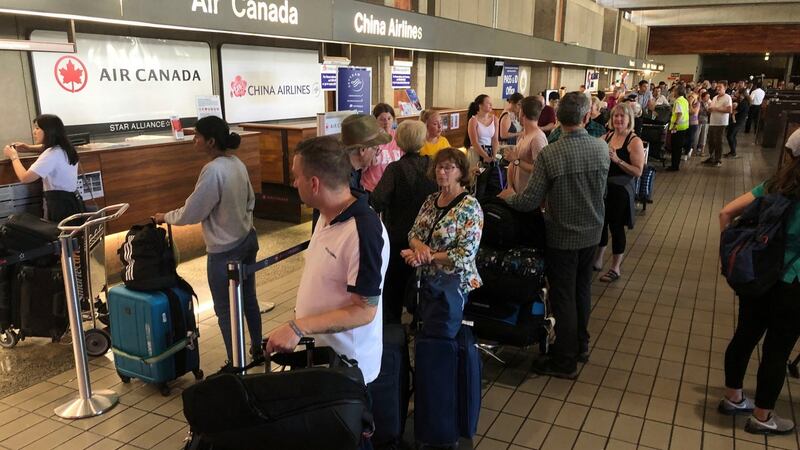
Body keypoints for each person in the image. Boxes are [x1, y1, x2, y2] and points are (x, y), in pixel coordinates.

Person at [266, 134, 389, 396]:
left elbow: (364, 310)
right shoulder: (326, 215)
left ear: (314, 183)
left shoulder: (363, 231)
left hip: (347, 368)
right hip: (322, 357)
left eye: (296, 176)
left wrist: (298, 327)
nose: (294, 182)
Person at [499, 92, 609, 378]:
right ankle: (581, 345)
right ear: (587, 117)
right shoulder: (600, 149)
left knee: (563, 297)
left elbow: (528, 201)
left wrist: (508, 196)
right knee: (582, 290)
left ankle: (565, 360)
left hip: (562, 236)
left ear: (558, 119)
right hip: (593, 232)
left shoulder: (552, 153)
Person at [153, 116, 260, 366]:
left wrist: (164, 217)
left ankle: (236, 361)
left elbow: (194, 211)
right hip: (247, 239)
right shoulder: (237, 163)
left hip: (224, 250)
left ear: (210, 141)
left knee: (224, 309)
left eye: (197, 137)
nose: (194, 142)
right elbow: (251, 200)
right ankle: (257, 347)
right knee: (249, 299)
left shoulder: (213, 170)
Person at [717, 130, 800, 435]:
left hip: (759, 276)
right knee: (777, 351)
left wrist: (728, 255)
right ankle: (763, 417)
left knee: (745, 336)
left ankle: (733, 397)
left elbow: (726, 212)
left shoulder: (774, 185)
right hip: (793, 284)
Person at [371, 120, 438, 323]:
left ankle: (393, 332)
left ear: (398, 141)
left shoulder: (395, 169)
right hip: (428, 240)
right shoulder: (433, 165)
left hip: (399, 238)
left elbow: (378, 200)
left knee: (394, 288)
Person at [405, 148, 483, 298]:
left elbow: (465, 254)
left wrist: (427, 256)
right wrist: (419, 247)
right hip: (426, 282)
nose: (441, 172)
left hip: (453, 286)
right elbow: (413, 234)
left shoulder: (470, 206)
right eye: (439, 167)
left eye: (448, 168)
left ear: (461, 172)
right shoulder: (430, 200)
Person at [594, 104, 645, 283]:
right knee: (601, 224)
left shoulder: (634, 141)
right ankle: (598, 259)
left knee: (616, 228)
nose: (618, 120)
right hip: (604, 189)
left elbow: (638, 171)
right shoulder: (606, 136)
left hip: (621, 192)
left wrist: (617, 160)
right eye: (616, 116)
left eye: (622, 117)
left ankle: (615, 267)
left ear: (629, 119)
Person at [3, 114, 82, 223]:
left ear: (49, 131)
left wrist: (13, 157)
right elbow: (45, 148)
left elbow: (25, 178)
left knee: (58, 235)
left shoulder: (51, 154)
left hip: (59, 206)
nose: (34, 132)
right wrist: (28, 148)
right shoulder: (65, 148)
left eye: (37, 128)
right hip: (72, 202)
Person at [504, 96, 547, 193]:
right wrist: (510, 187)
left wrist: (517, 161)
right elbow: (513, 163)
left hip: (529, 195)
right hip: (516, 192)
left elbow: (540, 170)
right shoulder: (524, 135)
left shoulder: (537, 138)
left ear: (522, 113)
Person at [342, 114, 392, 191]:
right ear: (363, 150)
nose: (376, 155)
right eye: (376, 149)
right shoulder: (345, 186)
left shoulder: (353, 170)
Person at [361, 103, 403, 192]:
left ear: (394, 120)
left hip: (393, 189)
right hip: (372, 189)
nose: (386, 122)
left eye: (389, 118)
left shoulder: (399, 137)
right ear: (375, 121)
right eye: (382, 119)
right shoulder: (369, 140)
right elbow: (362, 168)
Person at [467, 94, 502, 197]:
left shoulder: (495, 119)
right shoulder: (473, 120)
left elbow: (495, 139)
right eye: (488, 103)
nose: (491, 105)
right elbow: (474, 142)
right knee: (477, 183)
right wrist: (485, 156)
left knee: (490, 182)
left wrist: (494, 155)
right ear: (480, 105)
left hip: (490, 151)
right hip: (477, 152)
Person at [704, 81, 733, 167]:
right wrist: (709, 109)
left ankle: (718, 159)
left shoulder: (727, 97)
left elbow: (729, 110)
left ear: (725, 87)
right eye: (717, 87)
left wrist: (716, 109)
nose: (718, 88)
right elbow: (711, 108)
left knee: (718, 141)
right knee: (711, 141)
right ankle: (711, 157)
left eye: (720, 87)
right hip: (713, 122)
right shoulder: (715, 97)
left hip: (721, 123)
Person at [666, 84, 689, 171]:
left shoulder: (678, 101)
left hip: (678, 128)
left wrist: (675, 124)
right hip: (684, 127)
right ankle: (676, 164)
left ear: (678, 92)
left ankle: (674, 166)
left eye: (674, 90)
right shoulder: (685, 100)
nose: (673, 92)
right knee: (678, 148)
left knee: (675, 147)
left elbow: (679, 113)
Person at [724, 88, 750, 159]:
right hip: (738, 121)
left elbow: (734, 112)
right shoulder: (742, 101)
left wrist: (731, 109)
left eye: (737, 92)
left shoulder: (744, 103)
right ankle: (732, 151)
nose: (736, 93)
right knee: (733, 136)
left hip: (738, 121)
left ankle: (733, 153)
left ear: (741, 94)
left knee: (730, 136)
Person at [685, 91, 701, 161]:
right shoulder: (686, 103)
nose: (690, 98)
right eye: (689, 97)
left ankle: (687, 152)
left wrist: (690, 104)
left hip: (693, 123)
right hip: (686, 123)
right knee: (685, 138)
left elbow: (694, 113)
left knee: (690, 138)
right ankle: (687, 150)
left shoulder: (697, 104)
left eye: (692, 97)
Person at [696, 90, 711, 157]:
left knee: (704, 136)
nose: (708, 98)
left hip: (706, 121)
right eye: (707, 97)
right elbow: (696, 113)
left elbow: (709, 113)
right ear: (703, 97)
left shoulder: (709, 103)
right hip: (698, 121)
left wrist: (708, 108)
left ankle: (702, 151)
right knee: (696, 136)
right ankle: (695, 150)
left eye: (709, 97)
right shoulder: (698, 103)